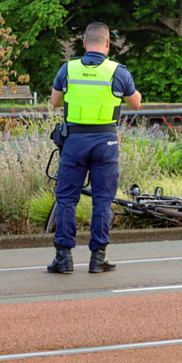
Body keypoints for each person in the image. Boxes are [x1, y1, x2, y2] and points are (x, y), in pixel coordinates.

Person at [48, 22, 142, 274]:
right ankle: (98, 258)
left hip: (74, 141)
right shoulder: (118, 71)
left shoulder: (68, 69)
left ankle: (63, 257)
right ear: (108, 43)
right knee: (102, 200)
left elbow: (55, 101)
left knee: (66, 198)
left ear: (84, 43)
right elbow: (135, 104)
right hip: (105, 143)